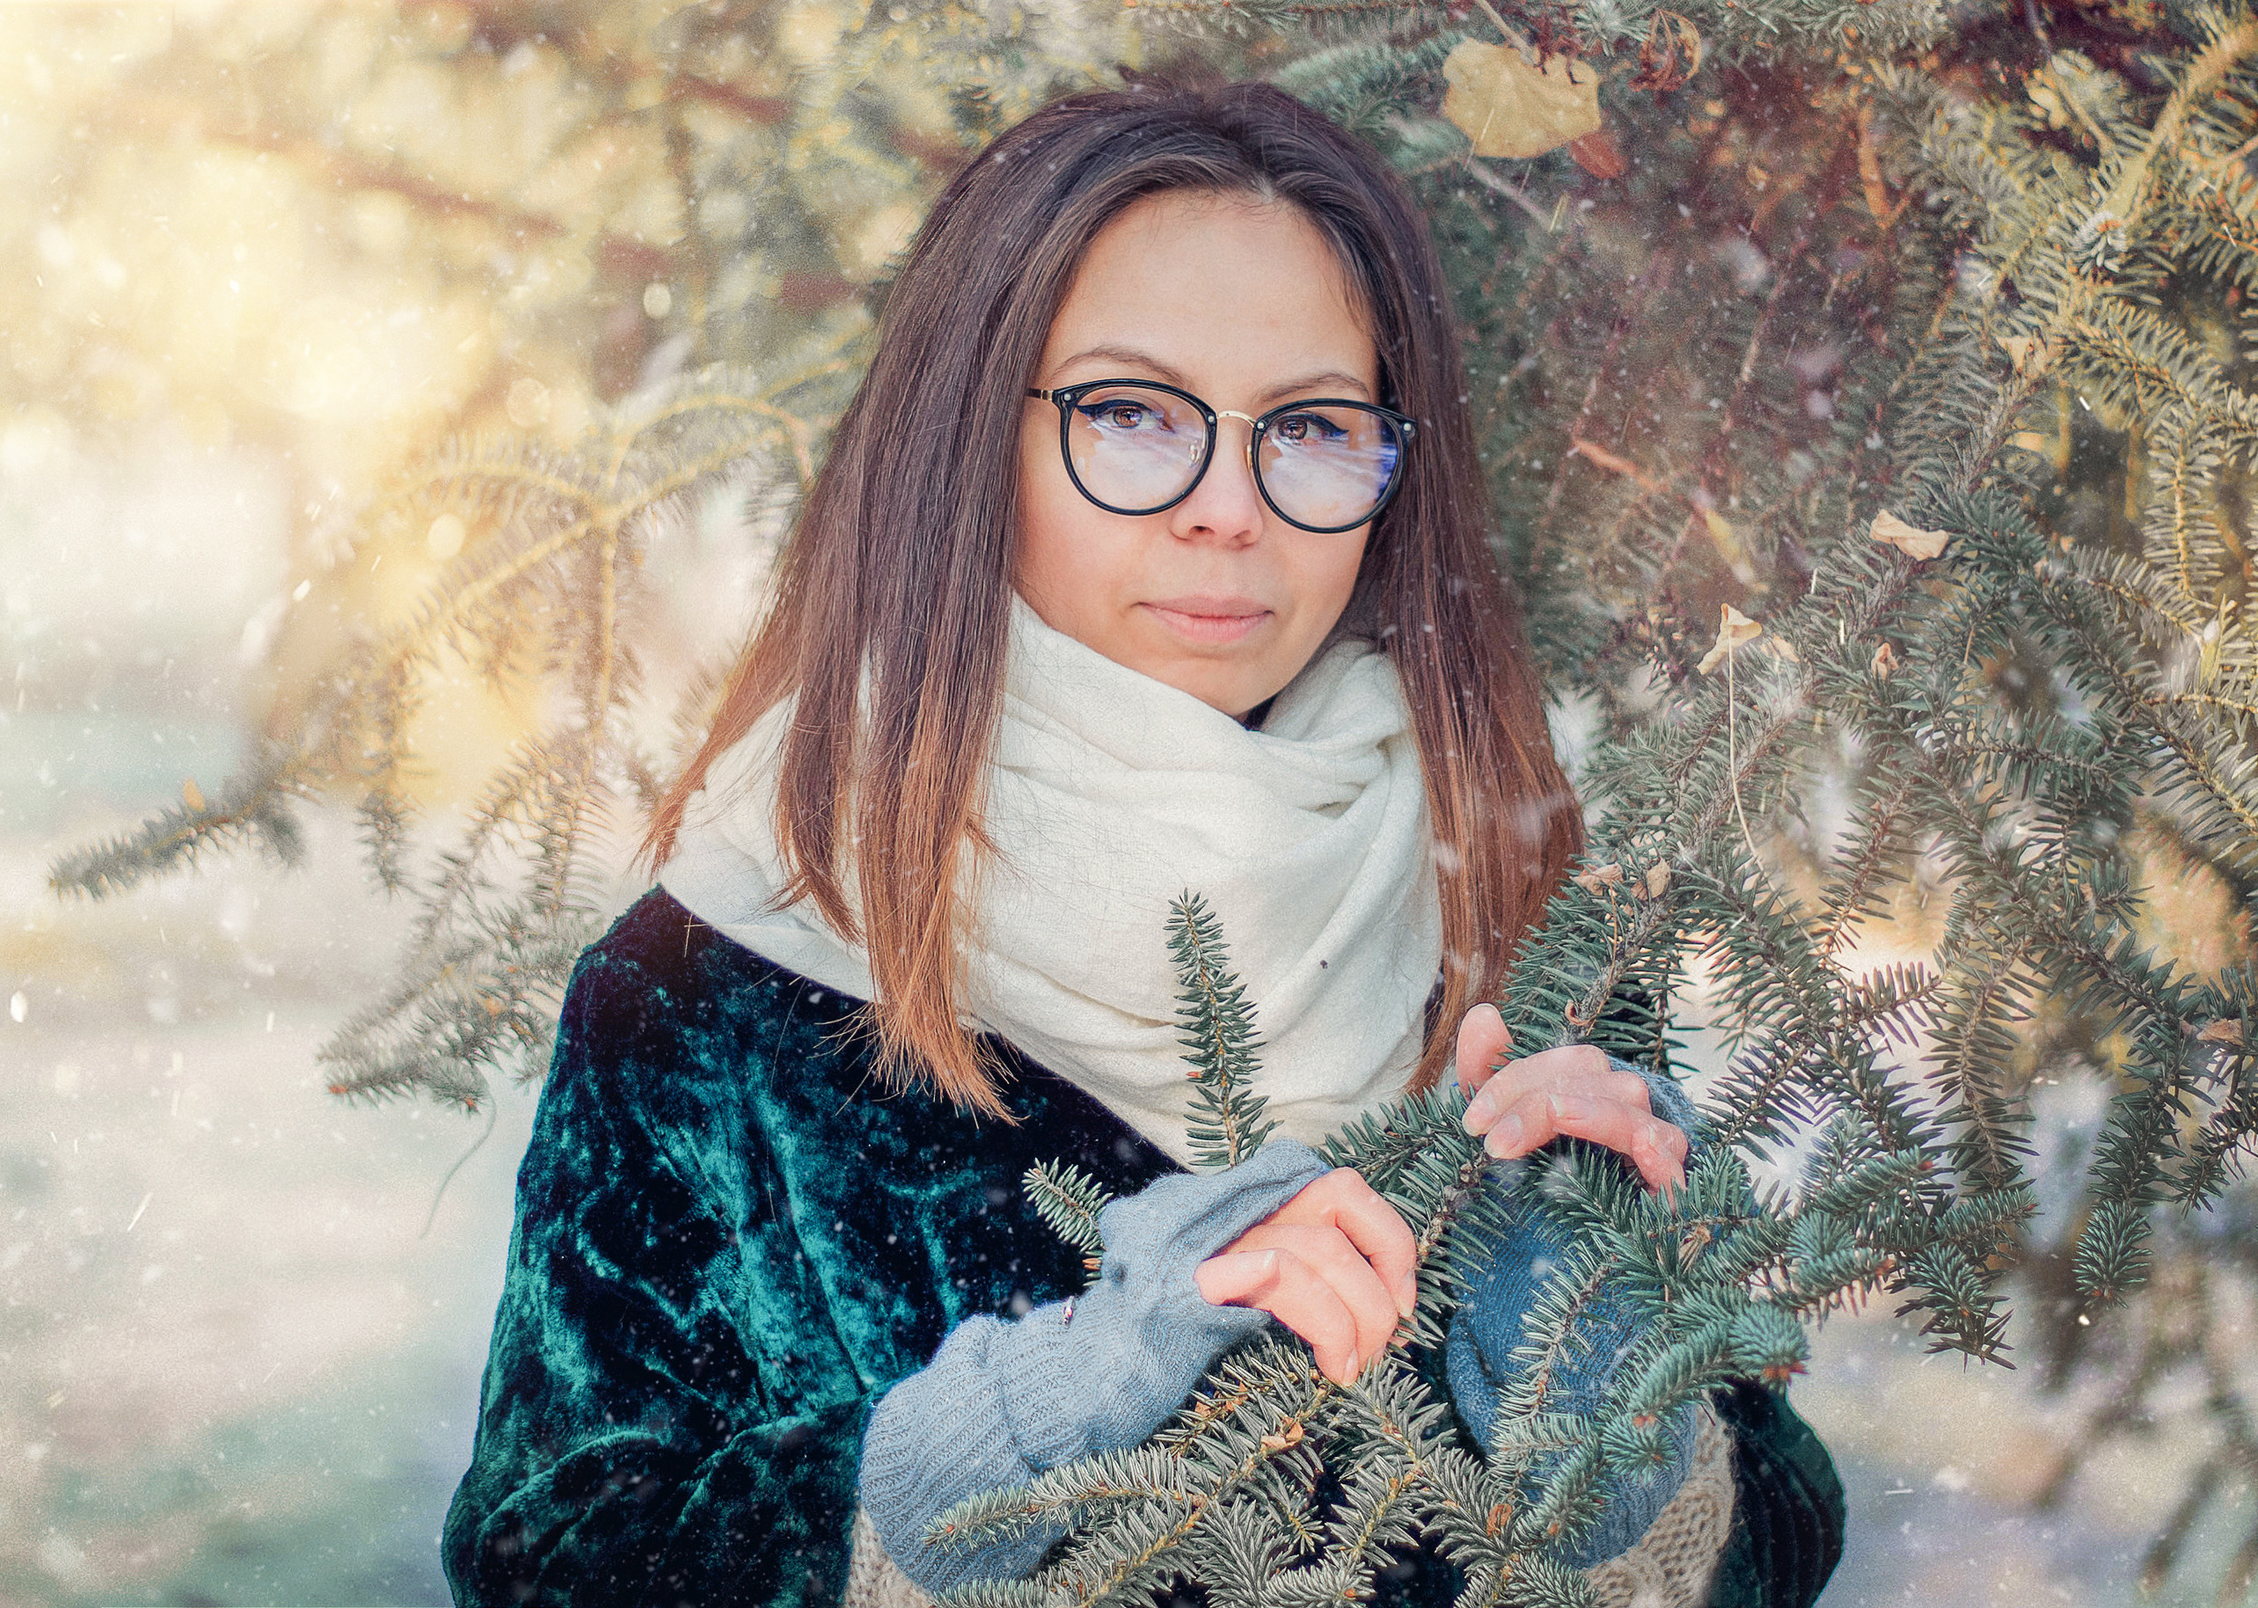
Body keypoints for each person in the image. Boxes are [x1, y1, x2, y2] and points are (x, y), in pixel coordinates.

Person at [441, 81, 1844, 1607]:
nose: (1228, 511)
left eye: (1309, 429)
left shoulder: (1508, 917)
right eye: (1130, 415)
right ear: (975, 440)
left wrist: (1605, 1430)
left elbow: (1776, 1526)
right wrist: (996, 1442)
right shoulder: (708, 982)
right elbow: (545, 1562)